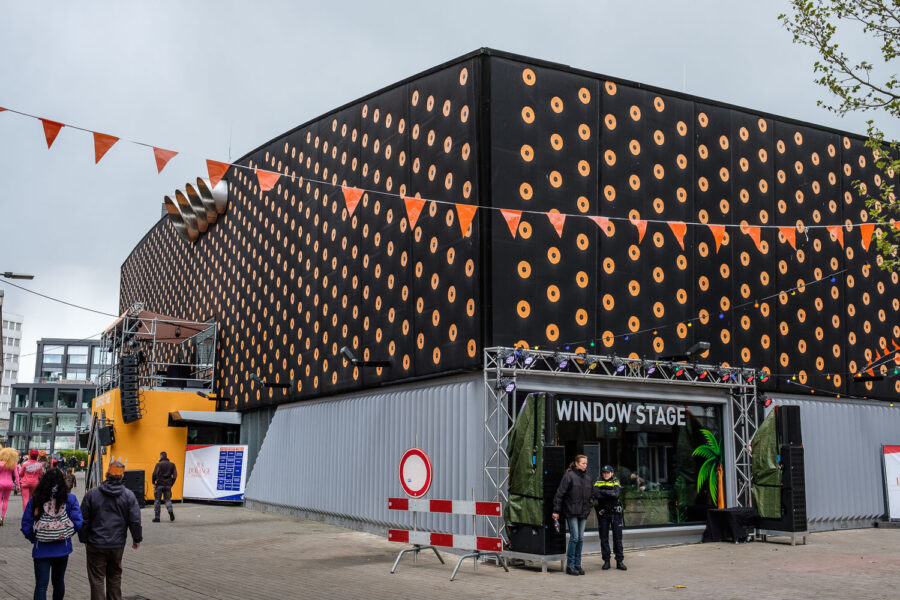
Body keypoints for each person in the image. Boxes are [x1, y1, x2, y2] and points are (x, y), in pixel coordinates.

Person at [79, 460, 142, 600]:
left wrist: (84, 539)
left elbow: (83, 519)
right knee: (114, 577)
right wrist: (136, 538)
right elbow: (134, 520)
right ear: (122, 476)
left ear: (107, 474)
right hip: (117, 544)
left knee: (97, 579)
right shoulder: (128, 495)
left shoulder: (92, 494)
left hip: (95, 543)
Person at [20, 468, 83, 600]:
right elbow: (78, 522)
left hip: (41, 549)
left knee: (41, 585)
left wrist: (34, 538)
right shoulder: (70, 499)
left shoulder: (36, 499)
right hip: (62, 548)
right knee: (58, 582)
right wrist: (66, 534)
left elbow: (26, 524)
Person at [551, 454, 593, 576]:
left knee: (580, 538)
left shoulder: (588, 478)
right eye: (583, 463)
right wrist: (556, 511)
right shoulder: (569, 476)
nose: (585, 465)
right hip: (572, 511)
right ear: (576, 463)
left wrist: (589, 507)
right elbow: (560, 494)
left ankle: (577, 565)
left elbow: (591, 495)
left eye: (586, 463)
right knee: (574, 538)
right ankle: (570, 565)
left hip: (583, 512)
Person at [594, 464, 626, 571]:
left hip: (615, 513)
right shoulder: (598, 481)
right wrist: (608, 492)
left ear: (612, 473)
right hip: (603, 514)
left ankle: (619, 561)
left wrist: (603, 491)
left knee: (618, 538)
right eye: (604, 472)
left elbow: (615, 494)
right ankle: (606, 561)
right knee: (604, 538)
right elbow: (596, 494)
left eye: (608, 472)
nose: (606, 474)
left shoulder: (615, 481)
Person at [151, 451, 177, 523]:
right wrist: (171, 483)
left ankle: (157, 518)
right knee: (167, 500)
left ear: (161, 456)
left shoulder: (158, 464)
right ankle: (170, 511)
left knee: (157, 500)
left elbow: (154, 474)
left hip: (159, 485)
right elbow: (175, 475)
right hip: (168, 485)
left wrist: (153, 482)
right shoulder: (172, 465)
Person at [0, 447, 21, 526]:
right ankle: (2, 517)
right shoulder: (13, 464)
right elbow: (16, 475)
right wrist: (18, 485)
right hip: (9, 484)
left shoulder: (0, 463)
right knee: (5, 501)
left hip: (0, 483)